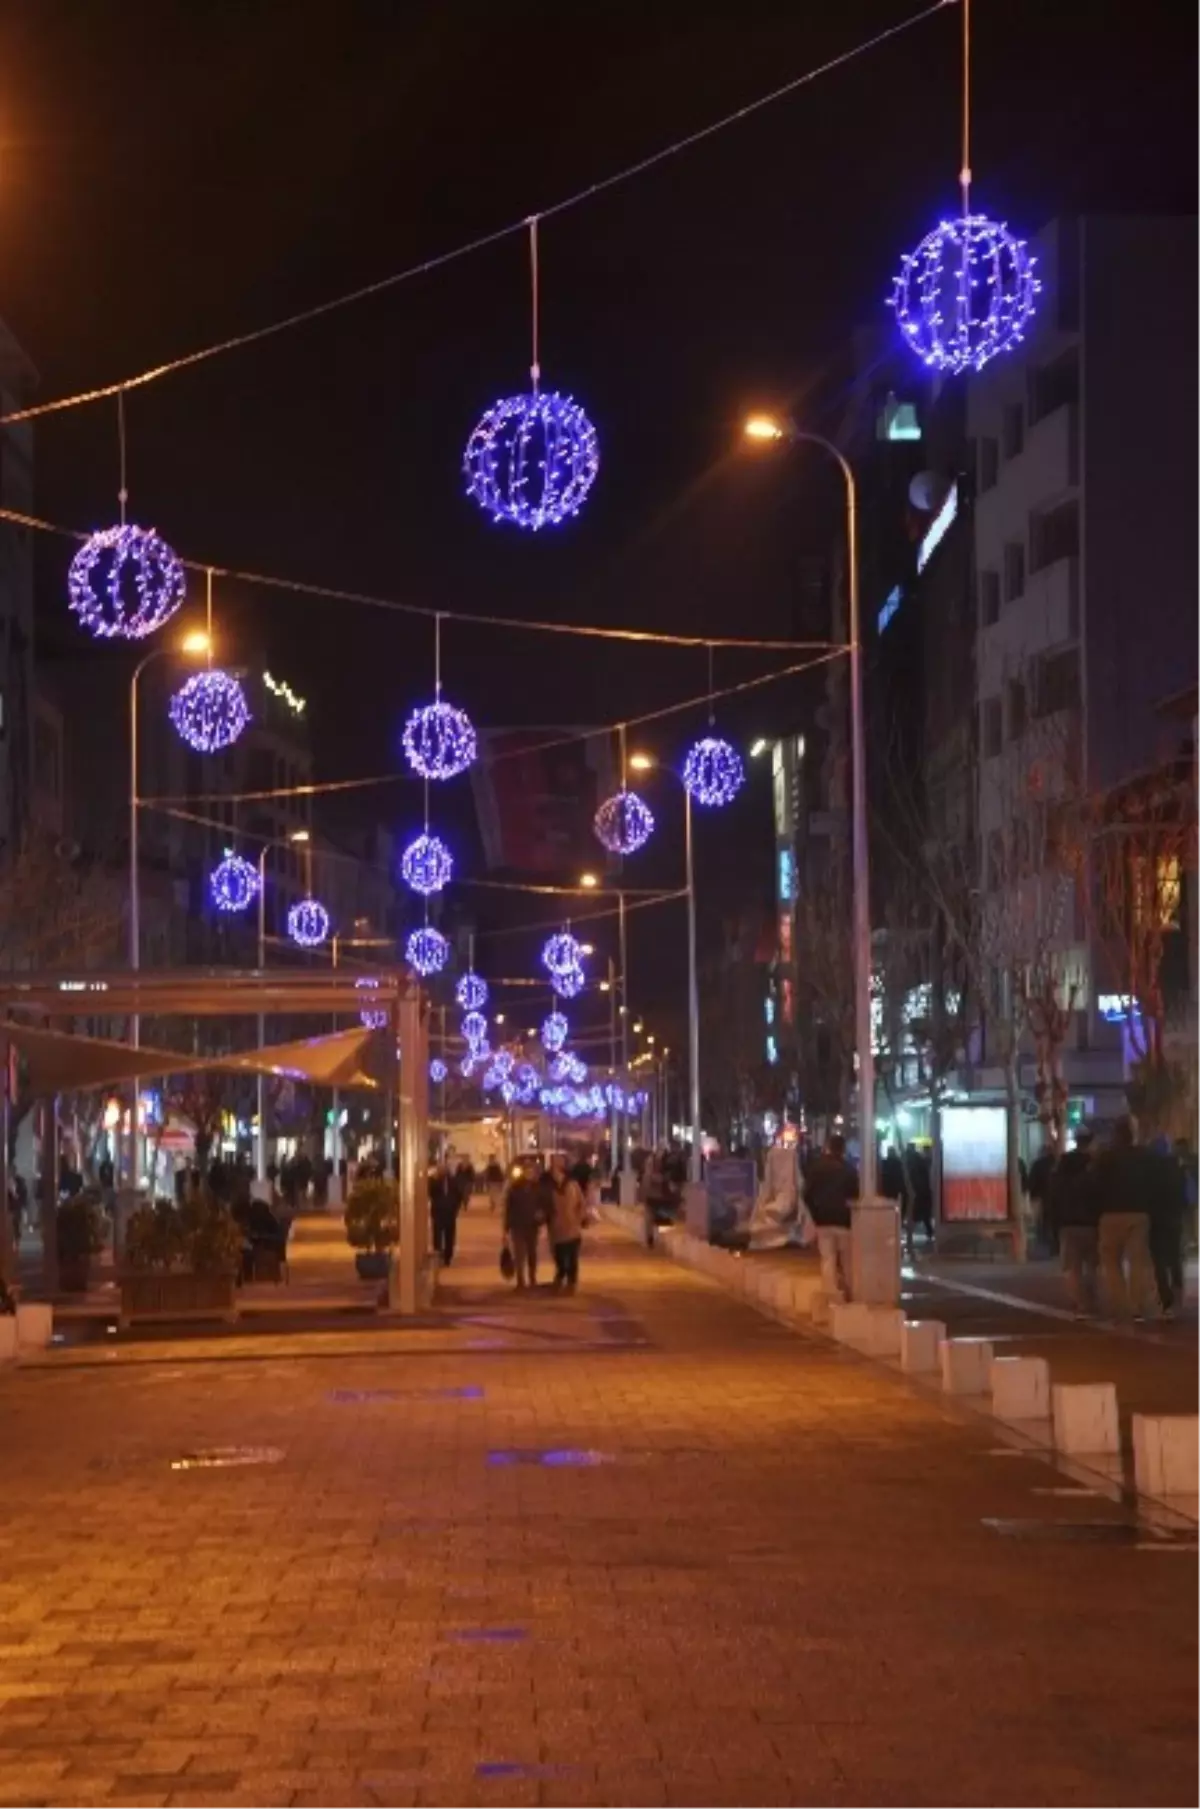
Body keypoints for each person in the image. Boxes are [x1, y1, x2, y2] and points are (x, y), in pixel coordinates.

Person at [1089, 1116, 1158, 1322]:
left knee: (1110, 1261)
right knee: (1138, 1261)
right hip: (1139, 1213)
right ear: (1133, 1134)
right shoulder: (1145, 1156)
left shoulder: (1106, 1158)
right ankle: (1137, 1306)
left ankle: (1121, 1304)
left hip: (1110, 1213)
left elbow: (1094, 1185)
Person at [1048, 1127, 1098, 1316]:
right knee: (1093, 1265)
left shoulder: (1064, 1163)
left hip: (1068, 1222)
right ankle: (1091, 1297)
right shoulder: (1096, 1163)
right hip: (1092, 1223)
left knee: (1072, 1266)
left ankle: (1080, 1302)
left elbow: (1055, 1193)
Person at [806, 1132, 859, 1304]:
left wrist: (815, 1213)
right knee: (847, 1259)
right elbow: (855, 1194)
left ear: (828, 1147)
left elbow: (807, 1194)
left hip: (823, 1220)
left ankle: (831, 1295)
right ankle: (852, 1293)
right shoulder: (849, 1169)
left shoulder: (817, 1168)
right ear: (843, 1149)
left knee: (827, 1258)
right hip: (844, 1220)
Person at [1147, 1136, 1187, 1320]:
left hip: (1156, 1220)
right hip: (1174, 1218)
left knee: (1159, 1262)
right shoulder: (1177, 1168)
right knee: (1174, 1257)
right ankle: (1178, 1291)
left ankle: (1166, 1300)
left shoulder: (1149, 1171)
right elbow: (1184, 1195)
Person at [547, 1153, 586, 1293]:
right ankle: (560, 1276)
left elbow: (581, 1203)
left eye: (558, 1168)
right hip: (556, 1230)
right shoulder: (548, 1187)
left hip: (572, 1228)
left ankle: (571, 1283)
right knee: (559, 1257)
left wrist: (579, 1218)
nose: (556, 1173)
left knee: (573, 1257)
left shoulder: (572, 1185)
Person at [503, 1160, 541, 1289]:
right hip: (518, 1225)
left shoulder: (537, 1187)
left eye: (531, 1171)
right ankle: (520, 1280)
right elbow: (509, 1208)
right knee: (520, 1254)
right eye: (526, 1171)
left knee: (532, 1253)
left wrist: (540, 1217)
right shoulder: (515, 1188)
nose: (529, 1173)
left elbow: (543, 1205)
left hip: (532, 1226)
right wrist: (506, 1228)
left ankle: (532, 1278)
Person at [428, 1160, 460, 1267]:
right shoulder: (434, 1181)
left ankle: (448, 1257)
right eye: (440, 1169)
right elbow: (430, 1192)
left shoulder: (453, 1181)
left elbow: (458, 1195)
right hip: (438, 1212)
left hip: (450, 1213)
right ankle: (438, 1254)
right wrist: (434, 1178)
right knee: (437, 1235)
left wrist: (455, 1208)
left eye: (443, 1169)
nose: (442, 1171)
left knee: (449, 1236)